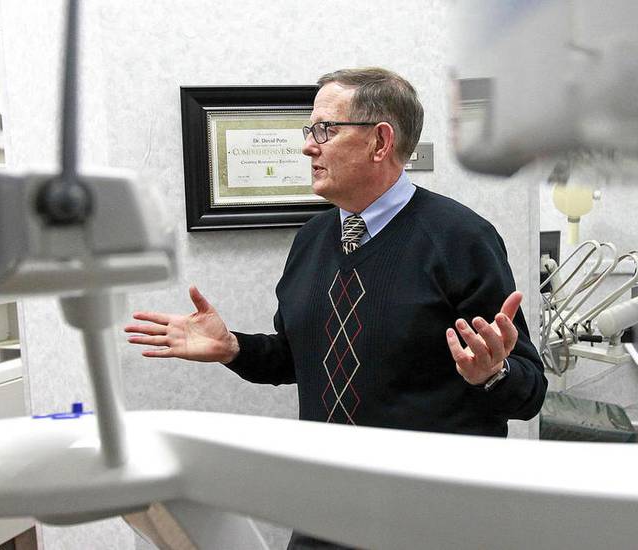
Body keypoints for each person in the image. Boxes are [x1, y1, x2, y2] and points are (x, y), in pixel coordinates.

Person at [125, 67, 547, 550]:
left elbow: (529, 392)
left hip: (433, 518)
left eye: (325, 129)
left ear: (380, 142)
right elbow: (296, 360)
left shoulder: (459, 239)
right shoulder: (312, 239)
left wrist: (492, 373)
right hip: (326, 509)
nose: (309, 146)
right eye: (310, 130)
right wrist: (233, 348)